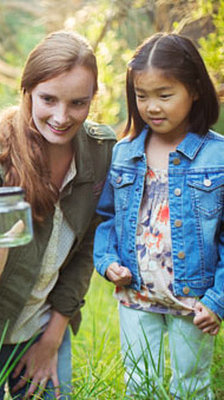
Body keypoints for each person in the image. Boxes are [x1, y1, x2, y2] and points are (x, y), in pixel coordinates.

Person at [0, 31, 116, 400]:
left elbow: (85, 251)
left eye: (78, 103)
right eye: (48, 99)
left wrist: (51, 340)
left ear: (93, 98)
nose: (62, 117)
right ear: (27, 91)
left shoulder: (100, 152)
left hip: (43, 328)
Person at [94, 33, 222, 399]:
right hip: (136, 293)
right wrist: (107, 261)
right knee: (139, 383)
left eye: (165, 95)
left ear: (195, 90)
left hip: (193, 299)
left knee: (192, 386)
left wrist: (218, 300)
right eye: (141, 95)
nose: (152, 106)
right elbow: (106, 219)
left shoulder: (218, 158)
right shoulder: (124, 153)